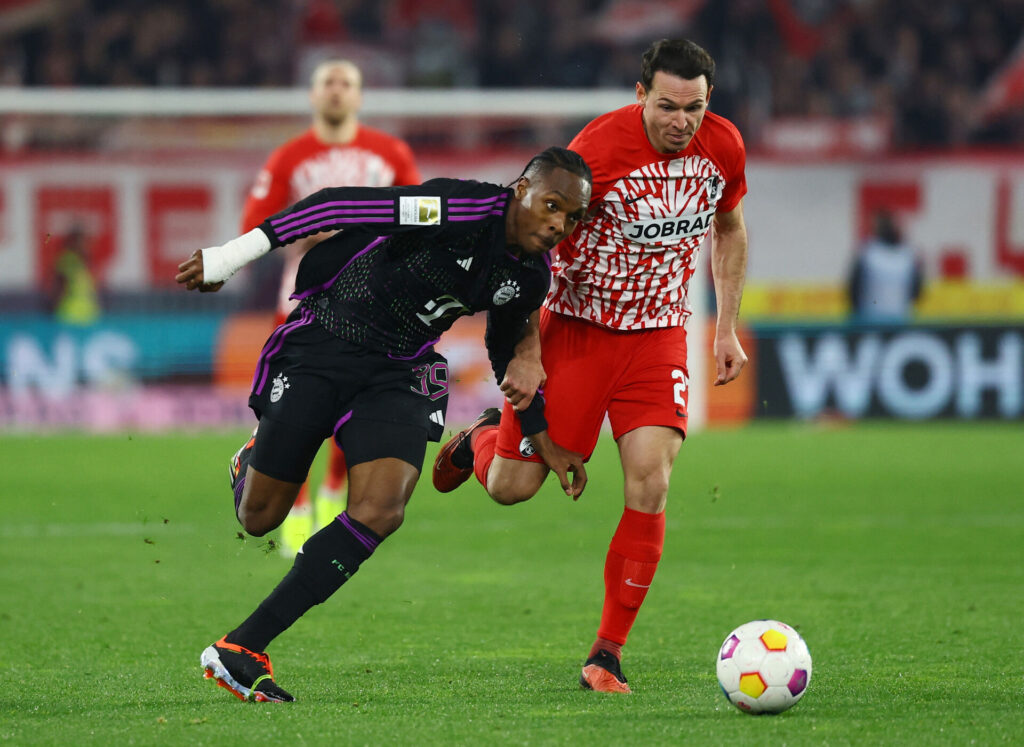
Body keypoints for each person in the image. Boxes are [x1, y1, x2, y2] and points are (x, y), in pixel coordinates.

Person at [175, 146, 592, 702]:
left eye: (572, 217)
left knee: (383, 509)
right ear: (521, 188)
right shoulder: (455, 209)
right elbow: (334, 206)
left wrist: (545, 441)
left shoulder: (528, 277)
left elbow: (503, 343)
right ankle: (251, 458)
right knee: (259, 518)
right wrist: (231, 255)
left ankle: (242, 647)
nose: (559, 223)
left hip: (402, 368)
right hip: (326, 339)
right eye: (552, 205)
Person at [433, 38, 750, 694]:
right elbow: (528, 248)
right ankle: (479, 441)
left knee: (651, 482)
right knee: (511, 488)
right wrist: (526, 347)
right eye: (667, 105)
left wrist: (725, 327)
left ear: (708, 102)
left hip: (657, 337)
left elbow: (729, 228)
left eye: (693, 108)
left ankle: (606, 653)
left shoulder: (724, 147)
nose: (680, 121)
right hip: (576, 330)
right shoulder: (597, 153)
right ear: (640, 96)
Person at [240, 58, 422, 556]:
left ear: (360, 97)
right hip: (301, 300)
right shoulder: (289, 158)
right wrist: (310, 228)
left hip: (372, 304)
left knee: (355, 407)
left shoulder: (390, 153)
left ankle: (330, 494)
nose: (337, 91)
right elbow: (257, 222)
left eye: (347, 83)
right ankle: (295, 509)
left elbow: (420, 216)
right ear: (314, 96)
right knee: (293, 412)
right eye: (328, 83)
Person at [847, 210, 924, 322]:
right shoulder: (909, 255)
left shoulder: (867, 253)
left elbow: (854, 290)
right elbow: (916, 292)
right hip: (901, 318)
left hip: (870, 319)